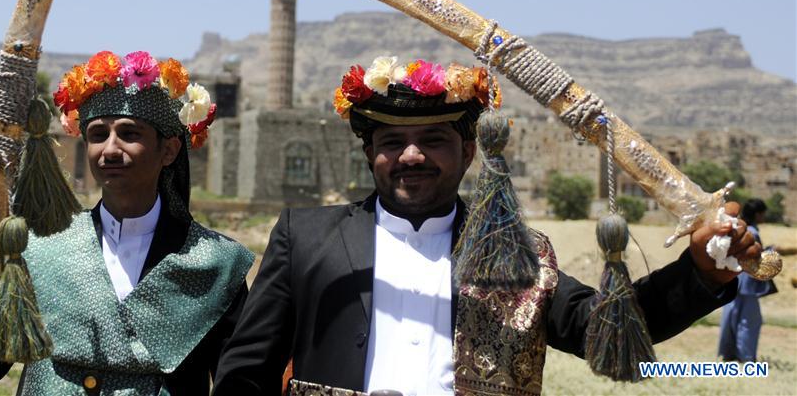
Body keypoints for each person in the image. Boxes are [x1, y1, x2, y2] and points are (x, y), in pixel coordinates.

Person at [212, 56, 760, 396]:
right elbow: (246, 371)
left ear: (470, 150)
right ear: (368, 153)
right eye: (391, 143)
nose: (411, 157)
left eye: (433, 141)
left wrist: (702, 272)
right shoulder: (306, 238)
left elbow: (607, 328)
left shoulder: (520, 256)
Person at [0, 51, 254, 396]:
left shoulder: (215, 264)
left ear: (169, 150)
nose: (110, 149)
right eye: (98, 134)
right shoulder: (41, 248)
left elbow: (240, 382)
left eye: (129, 133)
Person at [718, 198, 773, 362]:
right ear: (758, 214)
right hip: (747, 284)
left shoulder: (740, 229)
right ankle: (746, 356)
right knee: (749, 321)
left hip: (734, 280)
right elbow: (754, 258)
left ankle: (729, 353)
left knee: (731, 317)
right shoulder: (753, 233)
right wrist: (771, 252)